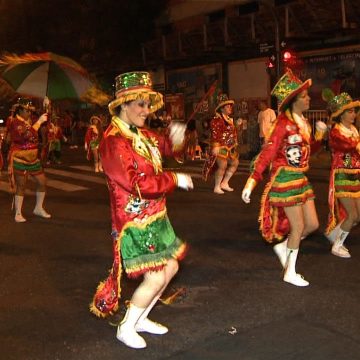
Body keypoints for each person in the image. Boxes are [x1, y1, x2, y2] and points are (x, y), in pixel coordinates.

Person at [89, 71, 193, 349]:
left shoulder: (141, 134)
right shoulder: (113, 141)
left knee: (170, 267)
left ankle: (141, 317)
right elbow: (135, 183)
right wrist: (174, 179)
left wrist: (178, 137)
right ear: (124, 104)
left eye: (148, 105)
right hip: (133, 221)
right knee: (157, 274)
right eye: (141, 105)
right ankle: (125, 327)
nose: (147, 111)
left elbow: (167, 148)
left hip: (156, 216)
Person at [241, 69, 327, 287]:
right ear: (294, 101)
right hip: (284, 179)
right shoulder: (282, 124)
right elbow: (268, 153)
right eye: (305, 96)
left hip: (300, 179)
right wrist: (252, 180)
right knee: (298, 227)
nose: (309, 99)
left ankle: (284, 247)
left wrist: (319, 136)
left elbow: (309, 151)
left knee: (312, 225)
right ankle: (290, 271)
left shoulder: (303, 122)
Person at [323, 91, 360, 258]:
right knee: (352, 215)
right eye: (350, 111)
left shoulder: (353, 129)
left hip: (355, 176)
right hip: (342, 176)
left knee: (358, 216)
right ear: (341, 114)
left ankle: (333, 235)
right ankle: (337, 245)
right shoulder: (337, 132)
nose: (354, 114)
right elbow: (350, 146)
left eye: (354, 111)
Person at [7, 98, 51, 222]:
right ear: (20, 111)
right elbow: (26, 136)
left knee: (42, 182)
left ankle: (38, 208)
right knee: (21, 185)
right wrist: (38, 122)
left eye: (30, 111)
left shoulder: (28, 121)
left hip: (33, 159)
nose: (29, 113)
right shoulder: (15, 122)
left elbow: (43, 126)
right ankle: (18, 213)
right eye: (27, 110)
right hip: (20, 159)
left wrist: (47, 108)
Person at [202, 94, 239, 194]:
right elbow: (215, 134)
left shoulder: (229, 119)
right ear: (222, 109)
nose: (230, 108)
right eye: (228, 106)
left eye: (230, 106)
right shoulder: (217, 120)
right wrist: (215, 146)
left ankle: (225, 183)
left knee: (235, 163)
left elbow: (232, 133)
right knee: (223, 165)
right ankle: (217, 186)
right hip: (220, 146)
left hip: (230, 147)